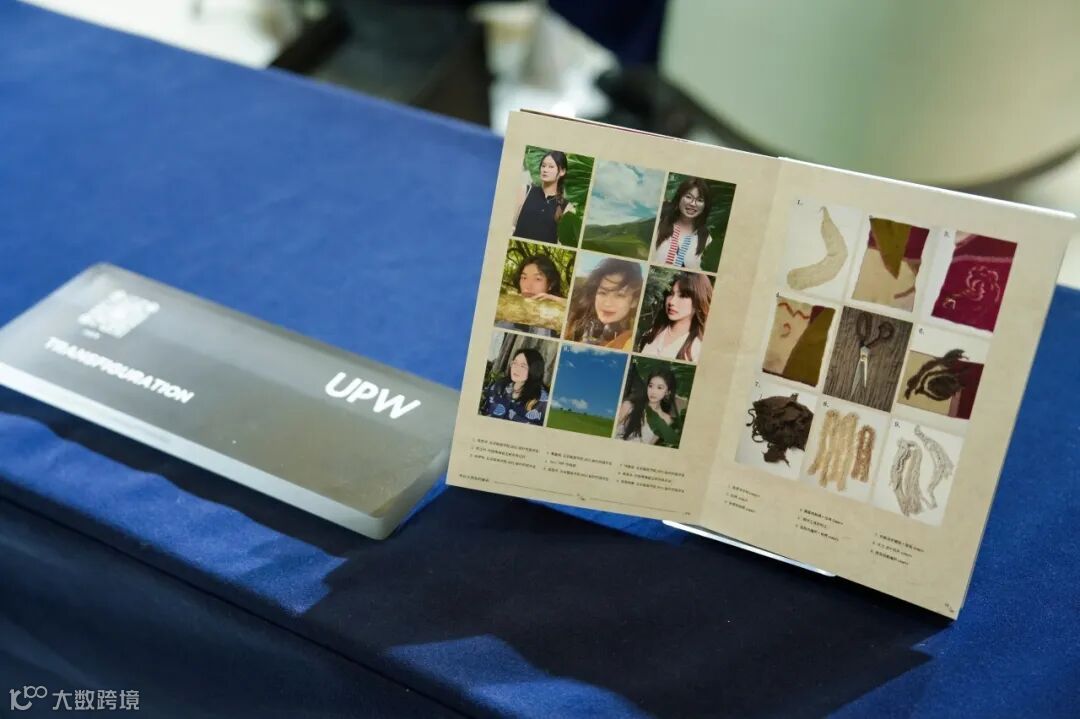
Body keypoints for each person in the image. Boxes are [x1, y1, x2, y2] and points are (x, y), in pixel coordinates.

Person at [563, 258, 643, 350]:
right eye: (603, 293)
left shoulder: (628, 341)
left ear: (634, 301)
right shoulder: (579, 322)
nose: (607, 303)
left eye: (620, 295)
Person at [637, 272, 712, 362]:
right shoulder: (652, 332)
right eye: (671, 294)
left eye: (683, 296)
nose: (671, 302)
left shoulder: (697, 349)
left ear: (699, 302)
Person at [495, 254, 567, 337]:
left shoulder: (558, 316)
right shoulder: (507, 310)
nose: (528, 286)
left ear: (550, 285)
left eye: (537, 279)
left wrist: (563, 302)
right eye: (524, 278)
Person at [513, 151, 575, 244]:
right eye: (543, 166)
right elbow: (510, 225)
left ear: (562, 171)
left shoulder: (567, 208)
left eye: (551, 166)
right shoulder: (525, 191)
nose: (545, 170)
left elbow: (562, 242)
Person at [652, 177, 713, 270]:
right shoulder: (659, 224)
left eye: (700, 200)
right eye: (688, 197)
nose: (693, 204)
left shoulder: (706, 238)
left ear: (705, 205)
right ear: (679, 198)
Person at [480, 348, 549, 425]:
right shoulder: (500, 385)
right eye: (515, 363)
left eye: (523, 366)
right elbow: (485, 410)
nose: (516, 368)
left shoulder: (543, 401)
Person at [616, 368, 678, 444]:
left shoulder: (666, 420)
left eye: (659, 387)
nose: (653, 391)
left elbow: (649, 445)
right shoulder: (629, 406)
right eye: (651, 386)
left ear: (668, 392)